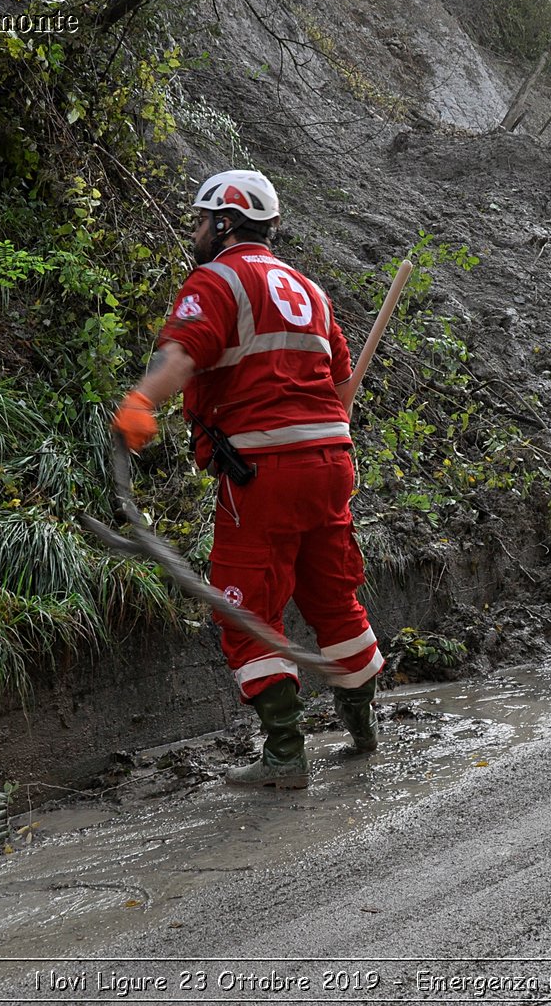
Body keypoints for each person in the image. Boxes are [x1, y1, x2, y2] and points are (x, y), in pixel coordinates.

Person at [111, 169, 384, 789]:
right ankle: (362, 729)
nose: (197, 232)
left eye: (203, 220)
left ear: (226, 222)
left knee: (245, 606)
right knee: (333, 595)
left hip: (263, 474)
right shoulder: (310, 291)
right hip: (331, 466)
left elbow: (183, 354)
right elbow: (340, 388)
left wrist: (140, 402)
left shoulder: (218, 280)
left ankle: (286, 756)